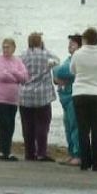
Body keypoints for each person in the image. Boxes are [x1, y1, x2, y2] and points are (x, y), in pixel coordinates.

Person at [71, 27, 97, 172]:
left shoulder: (77, 54)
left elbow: (72, 70)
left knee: (83, 130)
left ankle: (85, 162)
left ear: (85, 40)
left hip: (80, 93)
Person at [18, 32, 59, 162]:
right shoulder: (46, 54)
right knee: (42, 125)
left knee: (27, 125)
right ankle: (41, 152)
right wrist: (44, 48)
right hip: (42, 95)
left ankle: (29, 153)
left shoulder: (22, 55)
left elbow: (17, 69)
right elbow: (57, 61)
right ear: (41, 42)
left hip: (25, 94)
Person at [0, 38, 28, 162]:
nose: (5, 49)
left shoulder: (18, 61)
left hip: (12, 99)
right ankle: (3, 151)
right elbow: (1, 75)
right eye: (4, 47)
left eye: (8, 47)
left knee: (10, 124)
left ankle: (7, 150)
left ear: (13, 48)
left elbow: (25, 77)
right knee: (2, 124)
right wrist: (16, 78)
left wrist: (13, 72)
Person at [53, 34, 82, 166]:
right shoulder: (69, 59)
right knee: (68, 127)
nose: (70, 45)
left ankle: (77, 154)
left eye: (73, 43)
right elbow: (57, 75)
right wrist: (58, 73)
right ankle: (71, 153)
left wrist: (56, 70)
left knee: (75, 126)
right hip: (65, 98)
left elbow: (62, 71)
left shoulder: (78, 60)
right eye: (69, 43)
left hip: (73, 97)